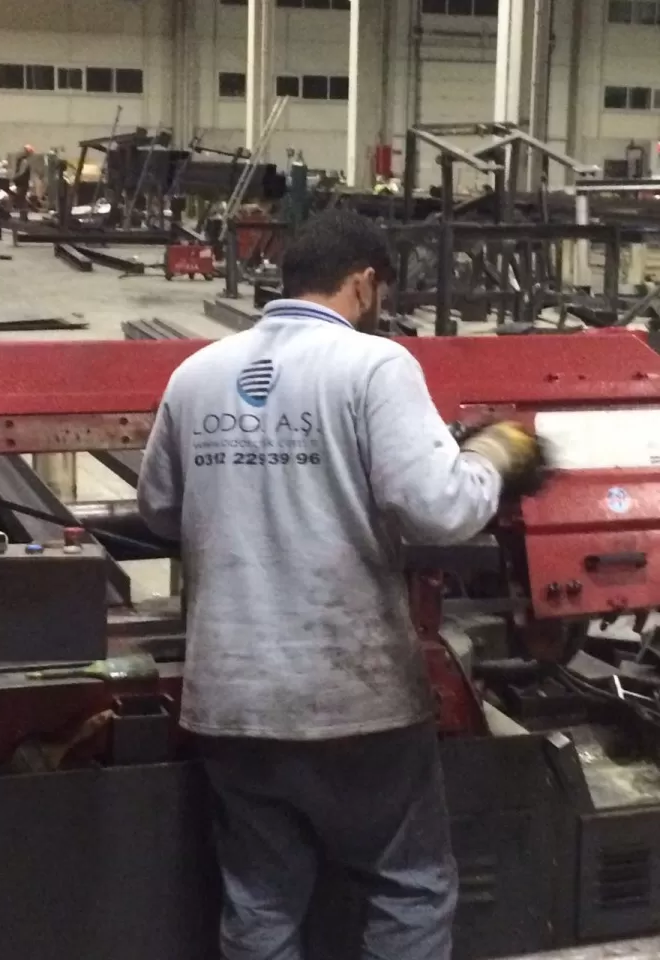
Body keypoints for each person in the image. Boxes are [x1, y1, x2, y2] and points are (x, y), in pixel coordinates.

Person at [137, 209, 541, 960]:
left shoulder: (196, 373)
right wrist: (493, 454)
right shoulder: (374, 365)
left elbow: (159, 509)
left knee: (260, 902)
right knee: (409, 886)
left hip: (231, 696)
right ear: (364, 283)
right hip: (353, 698)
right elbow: (440, 509)